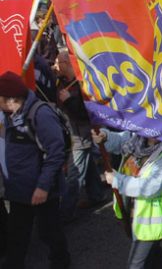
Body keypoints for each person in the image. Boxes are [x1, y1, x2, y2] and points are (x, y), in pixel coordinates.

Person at [0, 71, 70, 269]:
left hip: (42, 191)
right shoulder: (10, 115)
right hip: (19, 190)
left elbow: (55, 154)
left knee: (50, 232)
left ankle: (61, 262)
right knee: (17, 236)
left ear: (10, 99)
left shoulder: (40, 114)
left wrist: (43, 187)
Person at [93, 128, 162, 268]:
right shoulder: (137, 139)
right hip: (132, 215)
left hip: (149, 224)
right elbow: (119, 141)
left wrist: (118, 180)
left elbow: (151, 187)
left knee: (136, 265)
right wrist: (105, 136)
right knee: (154, 257)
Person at [53, 48, 105, 220]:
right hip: (71, 133)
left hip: (80, 135)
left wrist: (69, 100)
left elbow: (87, 113)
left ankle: (65, 214)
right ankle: (97, 195)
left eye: (58, 62)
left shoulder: (81, 83)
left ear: (67, 64)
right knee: (88, 167)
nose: (55, 66)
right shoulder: (60, 82)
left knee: (75, 176)